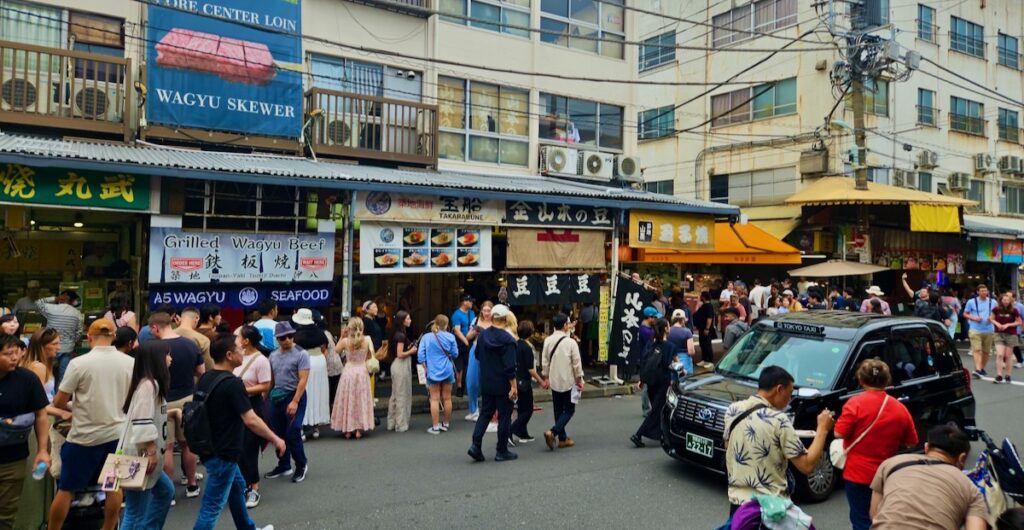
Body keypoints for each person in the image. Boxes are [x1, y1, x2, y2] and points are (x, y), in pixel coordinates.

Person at [48, 319, 134, 530]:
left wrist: (75, 404)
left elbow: (59, 402)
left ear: (89, 338)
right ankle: (108, 527)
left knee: (67, 488)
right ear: (114, 337)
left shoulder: (79, 363)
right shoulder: (130, 363)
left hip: (84, 437)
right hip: (118, 436)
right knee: (113, 485)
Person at [193, 337, 283, 530]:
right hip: (224, 452)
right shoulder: (233, 384)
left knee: (237, 488)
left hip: (209, 448)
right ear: (229, 355)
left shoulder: (206, 378)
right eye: (239, 349)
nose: (243, 352)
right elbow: (251, 419)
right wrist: (276, 439)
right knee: (212, 506)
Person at [724, 366, 833, 514]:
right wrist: (822, 429)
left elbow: (729, 446)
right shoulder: (779, 420)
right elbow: (807, 466)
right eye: (790, 393)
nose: (790, 399)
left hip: (738, 506)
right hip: (771, 509)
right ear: (779, 389)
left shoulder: (732, 410)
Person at [834, 360, 918, 530]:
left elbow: (839, 433)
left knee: (861, 520)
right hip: (886, 473)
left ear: (860, 380)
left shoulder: (854, 404)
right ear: (887, 380)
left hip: (857, 473)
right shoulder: (899, 408)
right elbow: (911, 442)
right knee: (885, 519)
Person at [869, 423, 987, 530]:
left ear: (926, 447)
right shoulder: (970, 488)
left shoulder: (891, 464)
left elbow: (875, 515)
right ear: (962, 458)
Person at [119, 341, 175, 529]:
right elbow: (141, 420)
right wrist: (151, 451)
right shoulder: (149, 385)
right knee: (136, 511)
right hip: (142, 456)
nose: (170, 358)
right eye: (167, 354)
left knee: (165, 492)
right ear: (157, 359)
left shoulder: (147, 384)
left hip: (141, 455)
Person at [150, 311, 205, 498]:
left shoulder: (154, 348)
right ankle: (191, 484)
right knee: (187, 444)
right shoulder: (190, 344)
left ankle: (169, 492)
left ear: (156, 327)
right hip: (187, 398)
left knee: (167, 447)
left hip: (162, 400)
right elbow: (201, 371)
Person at [0, 334, 50, 529]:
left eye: (16, 353)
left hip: (13, 459)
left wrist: (42, 450)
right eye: (7, 354)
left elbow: (41, 414)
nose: (14, 358)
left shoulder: (27, 379)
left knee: (6, 514)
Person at [467, 304, 519, 462]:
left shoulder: (483, 336)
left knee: (485, 413)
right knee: (504, 416)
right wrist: (513, 386)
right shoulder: (508, 340)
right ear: (505, 319)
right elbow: (510, 367)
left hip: (486, 381)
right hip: (503, 382)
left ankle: (476, 445)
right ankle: (501, 450)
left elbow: (477, 355)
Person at [264, 321, 310, 483]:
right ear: (277, 338)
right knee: (278, 434)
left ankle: (301, 464)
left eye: (290, 336)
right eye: (283, 337)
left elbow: (303, 380)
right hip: (277, 396)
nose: (288, 340)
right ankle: (284, 465)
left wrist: (295, 401)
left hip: (295, 395)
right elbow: (271, 380)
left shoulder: (301, 354)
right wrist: (265, 398)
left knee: (293, 432)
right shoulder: (272, 355)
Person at [234, 327, 272, 509]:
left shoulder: (261, 360)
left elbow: (265, 386)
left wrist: (243, 390)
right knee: (237, 447)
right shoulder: (237, 357)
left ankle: (254, 487)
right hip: (235, 407)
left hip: (252, 405)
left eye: (238, 337)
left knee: (249, 447)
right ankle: (242, 484)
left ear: (246, 340)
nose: (235, 339)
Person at [630, 318, 678, 447]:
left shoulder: (650, 344)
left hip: (651, 381)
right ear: (666, 329)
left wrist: (642, 380)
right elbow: (676, 364)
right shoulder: (670, 346)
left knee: (657, 409)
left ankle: (660, 434)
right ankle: (638, 434)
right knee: (657, 411)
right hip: (663, 381)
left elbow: (645, 362)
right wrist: (682, 371)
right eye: (669, 326)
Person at [541, 313, 584, 451]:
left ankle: (563, 438)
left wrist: (546, 377)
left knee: (558, 409)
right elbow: (576, 364)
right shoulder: (571, 343)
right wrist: (579, 379)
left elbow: (545, 361)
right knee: (569, 410)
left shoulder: (548, 340)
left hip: (554, 379)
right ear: (565, 325)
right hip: (568, 380)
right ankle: (553, 432)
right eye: (568, 323)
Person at [330, 318, 375, 439]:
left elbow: (336, 351)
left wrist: (341, 336)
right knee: (360, 399)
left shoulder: (346, 341)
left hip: (349, 372)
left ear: (349, 328)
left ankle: (347, 430)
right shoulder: (367, 339)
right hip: (362, 371)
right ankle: (359, 429)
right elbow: (371, 355)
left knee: (348, 399)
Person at [291, 309, 330, 440]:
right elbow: (324, 347)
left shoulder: (297, 335)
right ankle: (315, 426)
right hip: (319, 361)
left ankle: (301, 426)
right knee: (318, 392)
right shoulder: (320, 332)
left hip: (304, 362)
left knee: (303, 392)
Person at [418, 314, 458, 435]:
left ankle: (435, 427)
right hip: (447, 370)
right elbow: (455, 354)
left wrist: (425, 365)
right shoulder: (450, 336)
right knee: (447, 398)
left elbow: (420, 356)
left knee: (434, 399)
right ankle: (445, 424)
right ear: (446, 325)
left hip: (433, 370)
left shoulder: (426, 337)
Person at [35, 290, 81, 384]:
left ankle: (47, 392)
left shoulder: (51, 308)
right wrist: (72, 342)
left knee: (47, 374)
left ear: (63, 297)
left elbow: (37, 303)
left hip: (50, 346)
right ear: (72, 300)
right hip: (67, 349)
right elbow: (79, 333)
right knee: (63, 378)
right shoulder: (77, 313)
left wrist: (54, 298)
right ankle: (59, 393)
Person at [509, 320, 543, 444]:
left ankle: (523, 433)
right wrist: (541, 381)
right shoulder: (527, 348)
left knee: (522, 409)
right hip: (524, 381)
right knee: (528, 409)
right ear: (530, 332)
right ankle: (511, 430)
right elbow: (531, 370)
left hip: (516, 379)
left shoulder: (515, 344)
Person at [387, 310, 416, 433]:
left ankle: (392, 422)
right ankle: (401, 424)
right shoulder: (401, 335)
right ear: (402, 321)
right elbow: (400, 354)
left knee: (395, 394)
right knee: (402, 395)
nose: (410, 321)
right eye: (407, 318)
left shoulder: (396, 333)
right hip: (401, 365)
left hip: (396, 365)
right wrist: (411, 351)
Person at [464, 302, 493, 422]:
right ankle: (473, 410)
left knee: (489, 381)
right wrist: (473, 333)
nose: (486, 313)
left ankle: (488, 410)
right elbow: (467, 337)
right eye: (484, 310)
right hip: (476, 349)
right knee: (471, 381)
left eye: (488, 310)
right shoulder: (476, 320)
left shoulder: (496, 321)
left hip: (491, 351)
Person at [964, 284, 997, 378]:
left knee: (986, 352)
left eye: (985, 291)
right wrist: (973, 318)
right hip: (975, 329)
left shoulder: (993, 302)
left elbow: (997, 313)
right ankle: (978, 369)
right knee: (977, 350)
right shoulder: (971, 302)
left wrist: (992, 318)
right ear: (978, 292)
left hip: (989, 329)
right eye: (982, 291)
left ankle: (981, 368)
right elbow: (965, 314)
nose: (984, 293)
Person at [990, 292, 1021, 384]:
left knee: (1008, 356)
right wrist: (997, 323)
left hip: (1011, 334)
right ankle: (999, 375)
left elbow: (1019, 322)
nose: (1006, 301)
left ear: (1010, 301)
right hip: (999, 334)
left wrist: (1008, 324)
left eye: (1007, 300)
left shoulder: (1014, 310)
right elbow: (991, 318)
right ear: (1001, 300)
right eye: (1004, 300)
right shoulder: (996, 309)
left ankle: (1008, 375)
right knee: (1000, 354)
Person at [451, 295, 476, 399]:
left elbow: (474, 326)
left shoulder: (472, 313)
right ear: (464, 302)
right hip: (460, 342)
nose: (472, 303)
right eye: (470, 301)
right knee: (459, 367)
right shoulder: (457, 314)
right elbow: (457, 330)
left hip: (470, 341)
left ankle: (467, 386)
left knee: (468, 365)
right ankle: (459, 387)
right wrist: (465, 340)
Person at [667, 309, 695, 374]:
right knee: (686, 379)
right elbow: (691, 351)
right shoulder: (687, 331)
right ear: (683, 319)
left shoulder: (668, 331)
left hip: (671, 359)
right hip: (684, 360)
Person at [693, 292, 715, 370]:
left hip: (706, 329)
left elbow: (709, 318)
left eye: (701, 296)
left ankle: (710, 361)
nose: (700, 297)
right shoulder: (703, 305)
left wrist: (707, 328)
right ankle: (704, 359)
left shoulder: (709, 306)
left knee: (707, 345)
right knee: (702, 344)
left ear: (704, 297)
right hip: (701, 328)